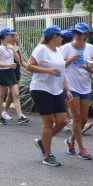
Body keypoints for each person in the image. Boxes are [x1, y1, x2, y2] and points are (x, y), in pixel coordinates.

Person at [28, 25, 72, 166]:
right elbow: (29, 66)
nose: (62, 38)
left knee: (62, 121)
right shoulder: (41, 49)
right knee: (49, 122)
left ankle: (43, 141)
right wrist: (47, 71)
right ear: (54, 37)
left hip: (56, 89)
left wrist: (68, 89)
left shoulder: (58, 51)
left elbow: (61, 71)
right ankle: (48, 155)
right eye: (60, 36)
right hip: (41, 89)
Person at [61, 22, 93, 160]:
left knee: (83, 120)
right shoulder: (66, 48)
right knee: (76, 117)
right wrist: (70, 59)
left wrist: (88, 68)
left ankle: (70, 141)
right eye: (75, 32)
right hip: (71, 87)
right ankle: (82, 149)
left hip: (85, 86)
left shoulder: (90, 48)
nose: (77, 35)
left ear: (85, 35)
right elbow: (59, 67)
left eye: (80, 33)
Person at [0, 28, 28, 125]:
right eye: (9, 35)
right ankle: (0, 117)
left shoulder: (11, 47)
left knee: (16, 94)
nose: (11, 36)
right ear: (5, 36)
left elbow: (18, 60)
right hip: (2, 73)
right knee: (1, 96)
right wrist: (8, 65)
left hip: (11, 72)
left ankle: (20, 116)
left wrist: (13, 49)